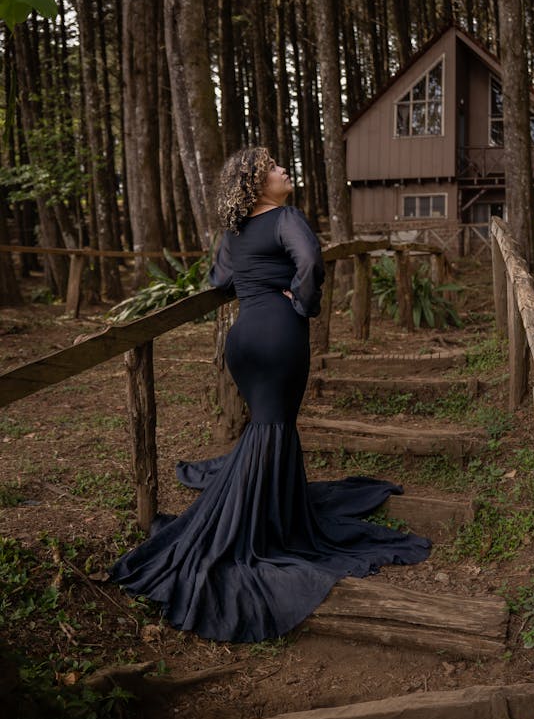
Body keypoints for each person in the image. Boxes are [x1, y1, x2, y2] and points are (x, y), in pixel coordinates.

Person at [109, 146, 430, 642]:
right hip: (281, 336)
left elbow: (220, 280)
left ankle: (267, 508)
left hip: (243, 342)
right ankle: (263, 526)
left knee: (267, 425)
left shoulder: (234, 232)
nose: (284, 170)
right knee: (275, 426)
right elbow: (312, 263)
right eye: (275, 168)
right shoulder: (285, 218)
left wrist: (258, 285)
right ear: (260, 184)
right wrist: (302, 303)